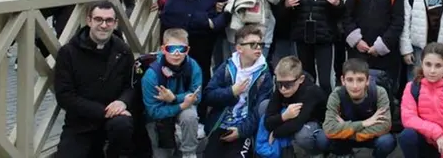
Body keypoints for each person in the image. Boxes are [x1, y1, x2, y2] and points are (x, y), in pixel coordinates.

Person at [159, 0, 234, 118]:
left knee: (199, 73)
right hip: (173, 26)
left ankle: (199, 115)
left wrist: (212, 24)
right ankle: (166, 113)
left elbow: (228, 10)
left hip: (200, 33)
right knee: (167, 68)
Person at [54, 1, 135, 157]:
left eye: (109, 20)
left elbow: (131, 85)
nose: (104, 25)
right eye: (98, 19)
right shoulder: (68, 52)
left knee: (122, 125)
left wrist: (123, 101)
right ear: (89, 20)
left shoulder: (123, 50)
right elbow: (64, 96)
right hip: (81, 122)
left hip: (114, 121)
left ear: (115, 23)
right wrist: (103, 111)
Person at [204, 25, 274, 157]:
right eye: (252, 44)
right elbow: (208, 95)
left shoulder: (264, 75)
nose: (258, 47)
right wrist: (231, 92)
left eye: (260, 44)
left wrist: (241, 131)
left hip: (244, 128)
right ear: (239, 48)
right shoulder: (226, 67)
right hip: (221, 124)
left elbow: (260, 110)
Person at [344, 0, 405, 88]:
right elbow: (347, 15)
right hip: (359, 50)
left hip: (384, 53)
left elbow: (397, 22)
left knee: (382, 88)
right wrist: (356, 40)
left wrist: (381, 45)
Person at [287, 0, 342, 93]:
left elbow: (337, 15)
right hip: (302, 35)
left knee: (325, 80)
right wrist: (286, 5)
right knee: (306, 77)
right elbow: (289, 15)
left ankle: (327, 110)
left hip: (324, 36)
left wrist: (337, 5)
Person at [141, 28, 203, 158]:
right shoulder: (151, 75)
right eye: (171, 49)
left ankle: (189, 153)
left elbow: (196, 96)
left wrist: (174, 98)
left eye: (182, 49)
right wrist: (180, 105)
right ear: (163, 49)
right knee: (163, 154)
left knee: (190, 116)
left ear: (188, 50)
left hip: (181, 105)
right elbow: (153, 112)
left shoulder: (193, 66)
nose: (176, 53)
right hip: (159, 114)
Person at [399, 42, 443, 158]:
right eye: (428, 64)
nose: (432, 70)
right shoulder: (412, 87)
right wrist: (436, 133)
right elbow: (408, 118)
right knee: (407, 135)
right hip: (422, 144)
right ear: (421, 63)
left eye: (438, 65)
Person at [323, 58, 397, 158]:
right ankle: (344, 154)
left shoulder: (379, 92)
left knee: (387, 141)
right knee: (322, 138)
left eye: (360, 80)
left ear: (367, 80)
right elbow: (329, 128)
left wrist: (349, 132)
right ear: (343, 80)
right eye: (350, 80)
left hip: (361, 135)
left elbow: (385, 126)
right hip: (344, 139)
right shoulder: (336, 95)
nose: (355, 86)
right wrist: (363, 123)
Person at [263, 56, 330, 156]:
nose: (283, 89)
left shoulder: (310, 91)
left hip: (317, 122)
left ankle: (316, 153)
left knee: (302, 135)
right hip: (294, 116)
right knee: (263, 105)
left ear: (301, 79)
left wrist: (275, 133)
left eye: (288, 84)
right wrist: (283, 117)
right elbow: (267, 121)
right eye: (278, 83)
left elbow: (296, 124)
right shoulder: (282, 86)